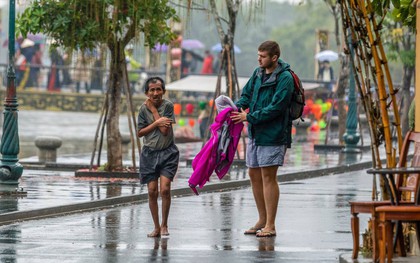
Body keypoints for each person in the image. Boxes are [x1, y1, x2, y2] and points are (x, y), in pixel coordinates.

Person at [230, 40, 294, 238]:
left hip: (274, 134)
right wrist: (235, 108)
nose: (259, 59)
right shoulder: (258, 74)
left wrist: (249, 117)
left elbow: (277, 108)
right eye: (258, 55)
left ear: (274, 58)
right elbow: (247, 95)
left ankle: (271, 224)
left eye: (263, 56)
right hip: (256, 133)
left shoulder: (285, 78)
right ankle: (262, 219)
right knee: (253, 174)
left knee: (268, 176)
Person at [137, 77, 179, 238]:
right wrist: (155, 122)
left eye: (158, 89)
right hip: (149, 154)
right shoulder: (142, 109)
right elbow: (140, 133)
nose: (155, 93)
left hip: (168, 153)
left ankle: (164, 225)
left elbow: (165, 131)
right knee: (152, 191)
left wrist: (154, 112)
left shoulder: (168, 106)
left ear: (163, 91)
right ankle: (156, 227)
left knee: (165, 189)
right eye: (152, 90)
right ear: (147, 93)